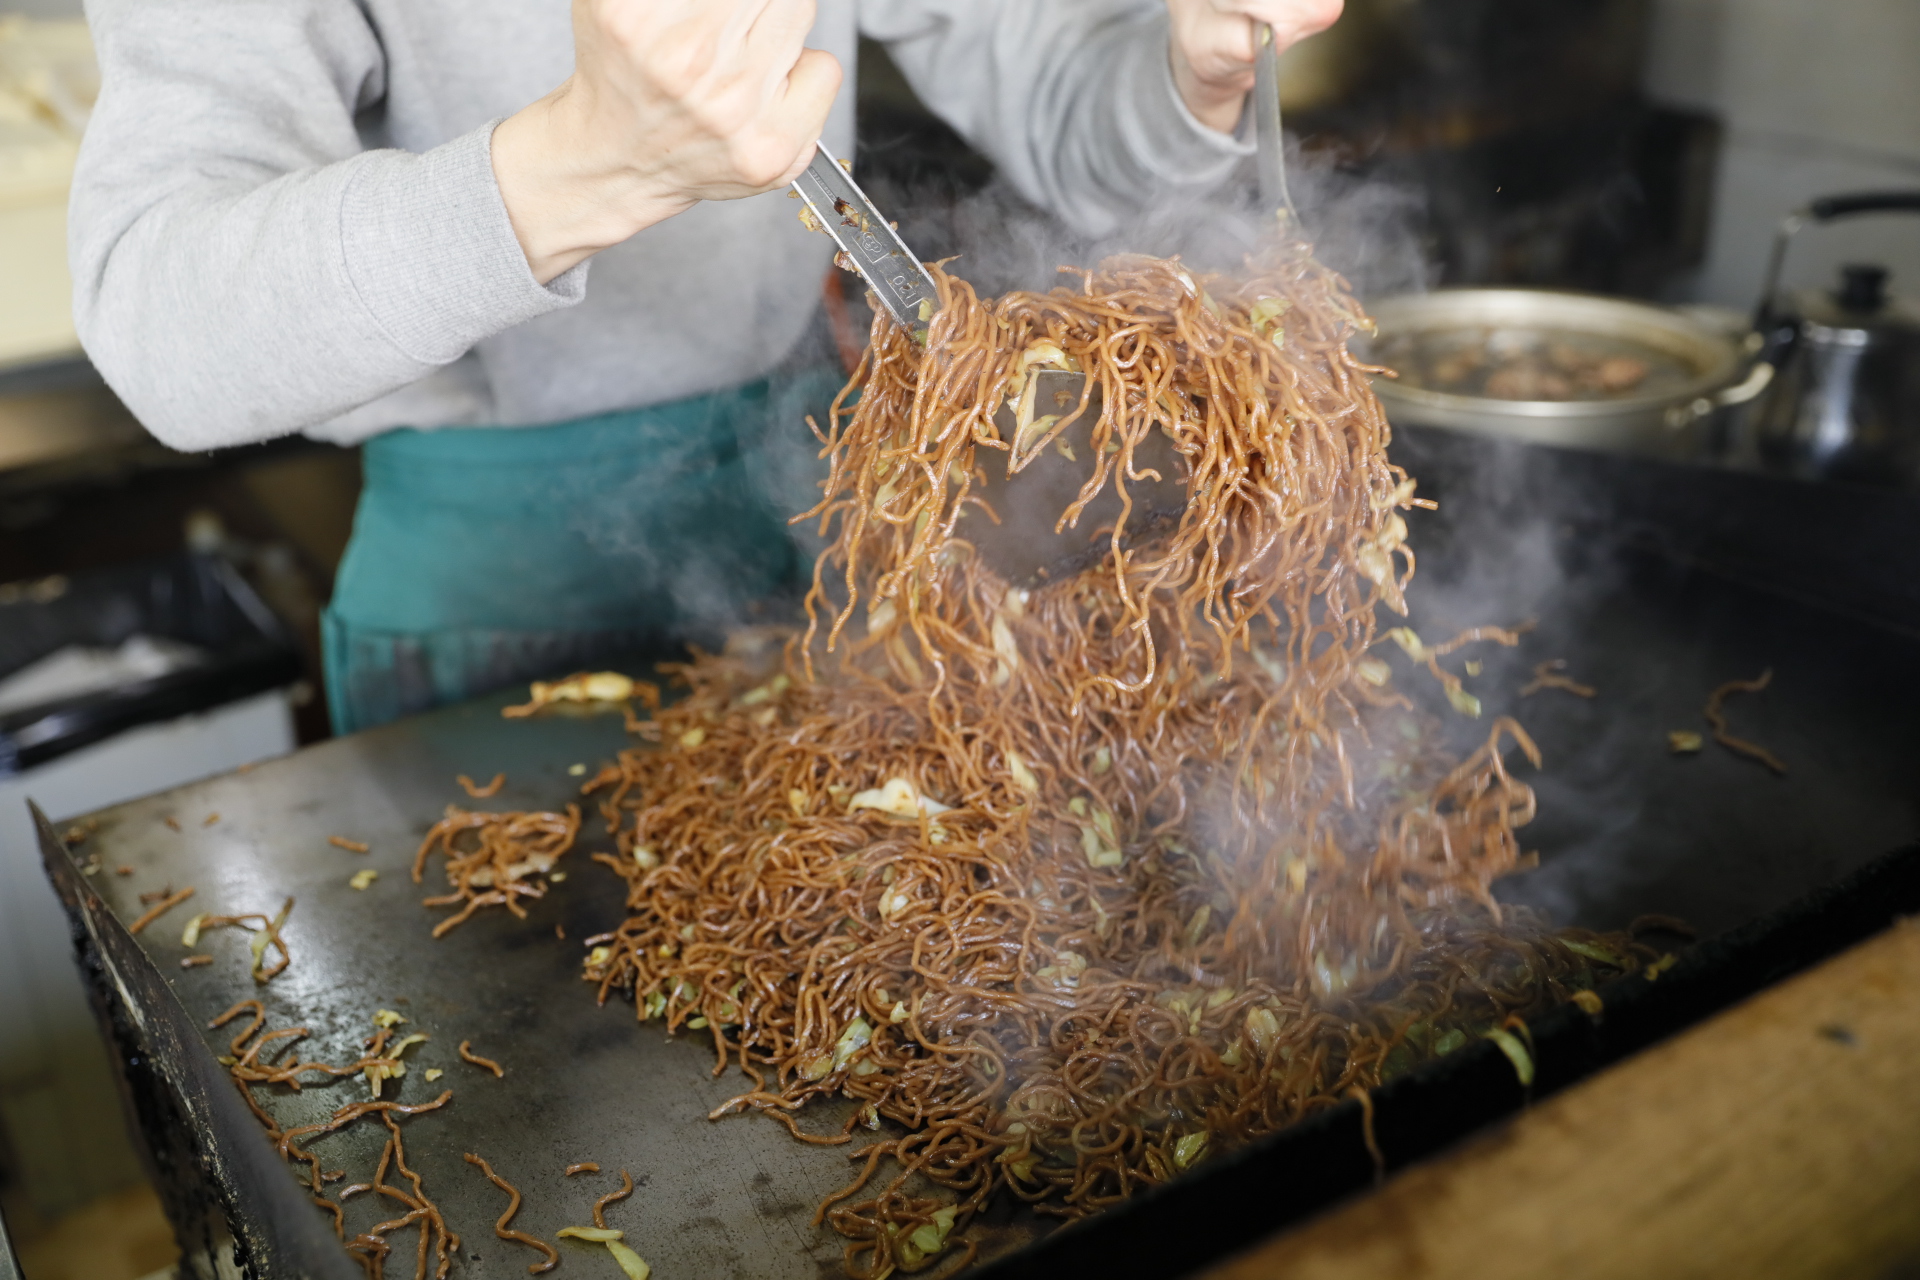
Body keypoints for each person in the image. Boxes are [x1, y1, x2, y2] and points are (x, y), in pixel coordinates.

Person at [69, 0, 1341, 734]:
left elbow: (1070, 117)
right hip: (494, 578)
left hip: (822, 518)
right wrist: (577, 165)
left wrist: (1189, 70)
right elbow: (161, 326)